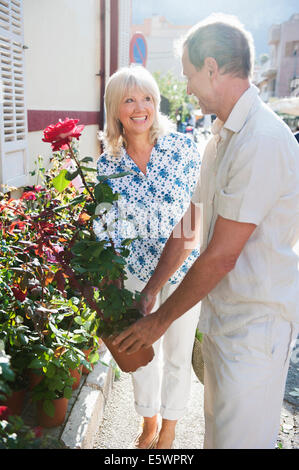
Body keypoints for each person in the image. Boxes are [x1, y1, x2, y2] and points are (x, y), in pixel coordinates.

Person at [113, 14, 299, 449]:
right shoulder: (221, 139)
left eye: (190, 75)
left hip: (254, 331)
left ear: (212, 68)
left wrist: (158, 322)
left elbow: (220, 256)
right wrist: (151, 290)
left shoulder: (261, 141)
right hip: (224, 325)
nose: (188, 87)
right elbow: (191, 224)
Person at [94, 65, 201, 449]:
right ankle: (149, 419)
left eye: (148, 99)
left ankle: (170, 428)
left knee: (177, 353)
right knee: (143, 352)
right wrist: (109, 287)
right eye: (129, 100)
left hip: (183, 270)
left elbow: (192, 223)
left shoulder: (182, 150)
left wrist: (156, 287)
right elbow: (106, 229)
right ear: (115, 109)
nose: (140, 108)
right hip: (133, 275)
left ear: (156, 104)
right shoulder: (107, 164)